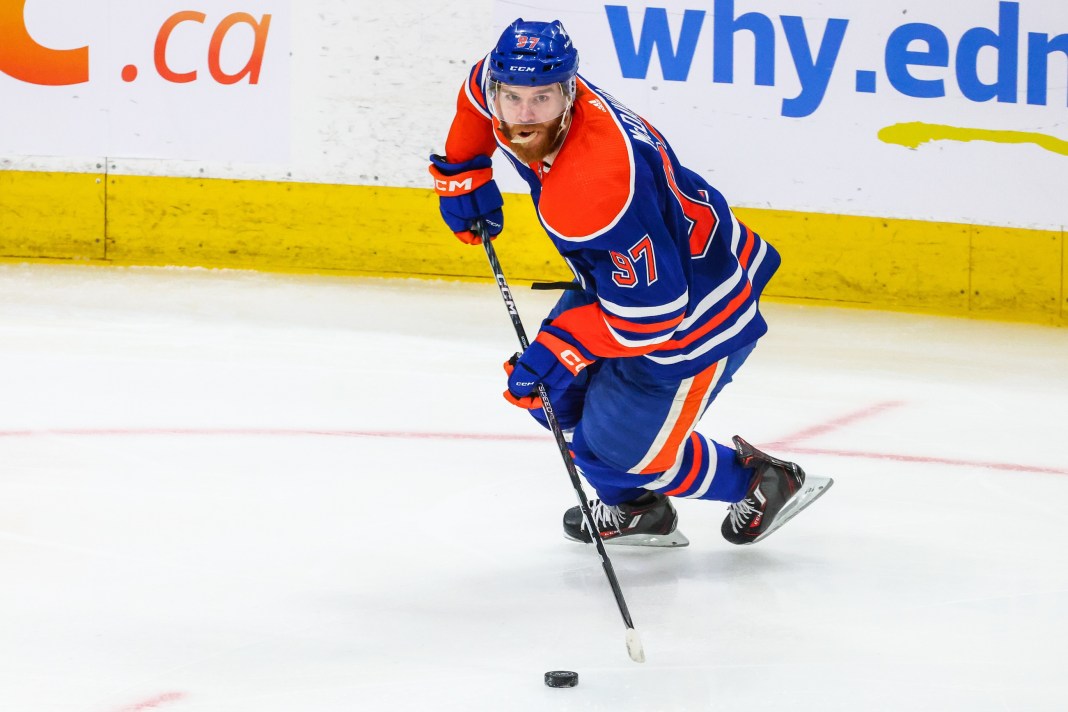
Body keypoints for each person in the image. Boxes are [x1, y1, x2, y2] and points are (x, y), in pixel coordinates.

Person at [429, 19, 830, 546]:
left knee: (616, 451)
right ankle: (639, 511)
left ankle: (761, 482)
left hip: (695, 308)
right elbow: (477, 95)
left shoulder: (590, 187)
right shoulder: (509, 88)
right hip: (626, 276)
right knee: (560, 403)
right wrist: (464, 169)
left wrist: (564, 345)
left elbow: (655, 314)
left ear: (569, 91)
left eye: (543, 99)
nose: (524, 117)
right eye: (514, 97)